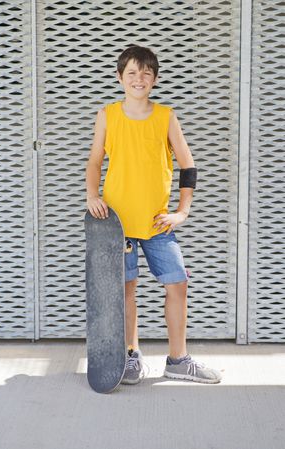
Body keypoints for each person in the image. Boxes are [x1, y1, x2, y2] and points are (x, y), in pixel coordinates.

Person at [86, 45, 222, 385]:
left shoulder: (165, 116)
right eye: (131, 72)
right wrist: (92, 195)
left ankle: (178, 360)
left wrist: (182, 212)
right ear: (120, 78)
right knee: (126, 291)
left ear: (155, 79)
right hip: (118, 224)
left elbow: (188, 166)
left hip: (157, 223)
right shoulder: (108, 115)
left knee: (177, 284)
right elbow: (94, 160)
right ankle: (130, 356)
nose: (138, 78)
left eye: (146, 72)